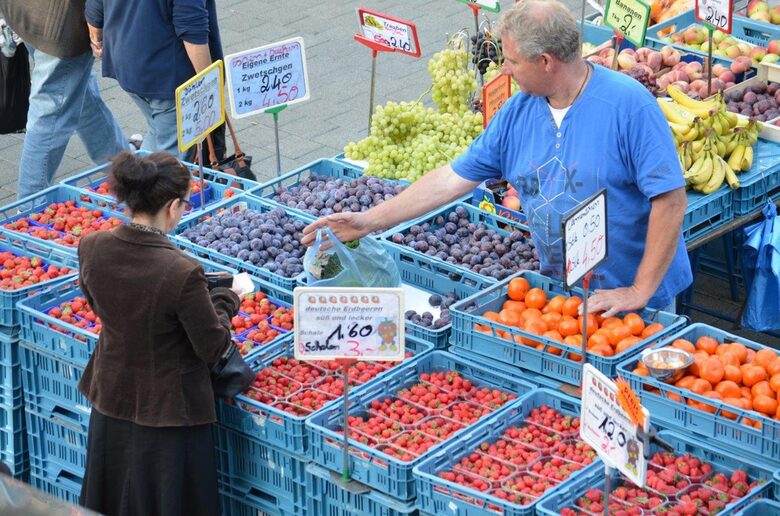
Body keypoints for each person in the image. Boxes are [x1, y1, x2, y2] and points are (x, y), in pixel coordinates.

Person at [303, 0, 692, 317]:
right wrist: (367, 221)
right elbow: (453, 179)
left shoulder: (629, 107)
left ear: (546, 62)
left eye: (512, 61)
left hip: (636, 299)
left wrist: (639, 289)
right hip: (563, 295)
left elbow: (670, 199)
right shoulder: (518, 112)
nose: (504, 69)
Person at [77, 151, 240, 515]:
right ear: (172, 206)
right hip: (168, 412)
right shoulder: (182, 271)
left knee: (113, 496)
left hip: (111, 397)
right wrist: (228, 299)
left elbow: (99, 304)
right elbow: (213, 346)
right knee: (166, 501)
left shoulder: (92, 246)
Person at [0, 0, 127, 200]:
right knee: (49, 115)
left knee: (79, 94)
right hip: (61, 24)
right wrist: (97, 24)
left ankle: (124, 171)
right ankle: (31, 205)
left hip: (24, 10)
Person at [85, 0, 225, 159]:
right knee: (171, 152)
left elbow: (94, 10)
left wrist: (97, 41)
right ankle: (152, 181)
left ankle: (136, 177)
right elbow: (193, 32)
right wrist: (209, 85)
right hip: (168, 78)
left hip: (126, 65)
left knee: (156, 130)